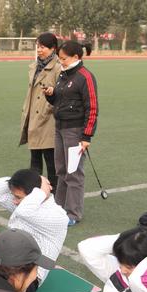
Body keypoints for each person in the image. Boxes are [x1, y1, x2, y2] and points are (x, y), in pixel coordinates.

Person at [0, 168, 68, 292]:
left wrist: (41, 191)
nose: (14, 201)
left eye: (18, 197)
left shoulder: (57, 216)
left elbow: (24, 212)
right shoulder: (23, 204)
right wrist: (33, 180)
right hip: (5, 261)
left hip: (27, 277)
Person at [44, 41, 98, 226]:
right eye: (59, 58)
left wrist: (86, 136)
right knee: (61, 170)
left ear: (76, 57)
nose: (61, 62)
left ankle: (73, 213)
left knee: (74, 173)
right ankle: (59, 208)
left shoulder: (85, 77)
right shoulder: (63, 74)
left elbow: (92, 108)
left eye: (64, 59)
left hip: (75, 131)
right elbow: (60, 100)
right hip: (60, 127)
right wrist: (51, 94)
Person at [19, 32, 61, 192]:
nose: (39, 50)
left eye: (43, 47)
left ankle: (54, 194)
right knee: (35, 159)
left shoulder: (58, 67)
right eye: (38, 46)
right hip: (33, 117)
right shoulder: (35, 66)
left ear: (53, 48)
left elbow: (62, 92)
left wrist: (52, 93)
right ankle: (35, 193)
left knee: (51, 161)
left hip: (49, 119)